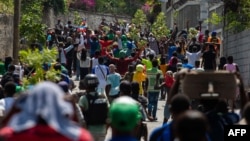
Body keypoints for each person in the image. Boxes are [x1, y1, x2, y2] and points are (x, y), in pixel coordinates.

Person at [0, 81, 93, 141]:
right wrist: (72, 108)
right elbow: (77, 127)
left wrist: (14, 108)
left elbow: (2, 129)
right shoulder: (78, 136)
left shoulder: (11, 135)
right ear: (62, 106)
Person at [78, 74, 109, 141]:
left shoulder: (84, 98)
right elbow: (108, 114)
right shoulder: (103, 97)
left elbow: (80, 116)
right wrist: (106, 129)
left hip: (89, 132)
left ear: (86, 85)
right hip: (102, 131)